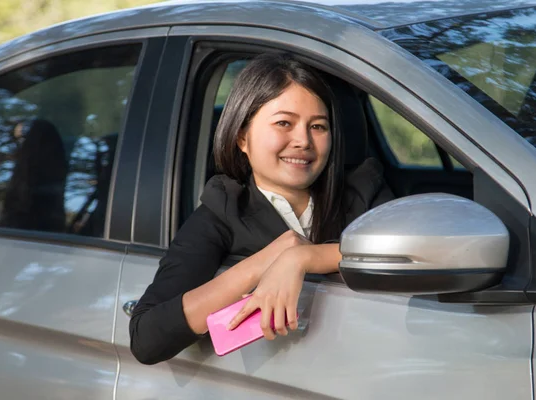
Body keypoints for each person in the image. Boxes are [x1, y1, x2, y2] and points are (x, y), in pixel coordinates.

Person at [130, 53, 394, 365]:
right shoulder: (222, 213)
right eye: (284, 123)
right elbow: (146, 339)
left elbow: (411, 253)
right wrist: (262, 263)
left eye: (319, 126)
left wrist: (303, 257)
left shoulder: (363, 189)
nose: (303, 141)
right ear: (242, 136)